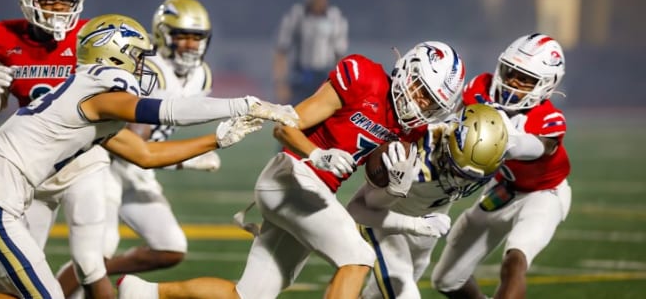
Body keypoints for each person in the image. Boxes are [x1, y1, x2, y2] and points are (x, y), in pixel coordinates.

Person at [0, 14, 297, 299]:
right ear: (113, 51)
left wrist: (216, 139)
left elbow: (145, 153)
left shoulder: (90, 99)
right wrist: (245, 103)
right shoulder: (98, 89)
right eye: (137, 57)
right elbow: (166, 110)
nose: (141, 67)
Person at [118, 41, 466, 299]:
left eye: (432, 104)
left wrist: (393, 190)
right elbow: (284, 125)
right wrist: (319, 154)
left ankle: (143, 293)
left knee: (249, 295)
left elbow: (364, 208)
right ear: (408, 70)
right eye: (422, 92)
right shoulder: (364, 79)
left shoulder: (411, 132)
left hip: (313, 196)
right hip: (290, 176)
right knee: (358, 256)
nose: (421, 105)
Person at [0, 0, 118, 297]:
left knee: (89, 262)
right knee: (22, 267)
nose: (58, 9)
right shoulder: (5, 37)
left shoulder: (92, 37)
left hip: (84, 162)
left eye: (66, 1)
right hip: (34, 169)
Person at [55, 0, 221, 298]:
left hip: (139, 171)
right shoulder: (148, 69)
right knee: (97, 253)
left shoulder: (202, 76)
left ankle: (99, 281)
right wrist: (184, 160)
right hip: (107, 164)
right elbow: (135, 141)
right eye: (182, 35)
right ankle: (58, 291)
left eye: (196, 37)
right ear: (162, 34)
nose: (189, 44)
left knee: (170, 248)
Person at [430, 34, 571, 299]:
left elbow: (541, 146)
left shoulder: (548, 118)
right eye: (510, 72)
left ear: (546, 85)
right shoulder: (480, 88)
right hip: (503, 189)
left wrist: (508, 140)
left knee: (514, 261)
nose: (513, 83)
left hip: (543, 195)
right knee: (447, 280)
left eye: (526, 79)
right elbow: (453, 123)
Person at [346, 104, 509, 299]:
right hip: (386, 224)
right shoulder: (413, 152)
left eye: (470, 179)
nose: (460, 182)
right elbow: (357, 209)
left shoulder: (490, 143)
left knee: (377, 296)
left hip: (426, 233)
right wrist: (393, 191)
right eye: (457, 172)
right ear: (448, 143)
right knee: (406, 294)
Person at [273, 0, 348, 105]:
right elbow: (281, 50)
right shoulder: (296, 15)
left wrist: (342, 85)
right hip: (300, 75)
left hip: (325, 76)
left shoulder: (336, 18)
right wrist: (280, 83)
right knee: (295, 116)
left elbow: (340, 55)